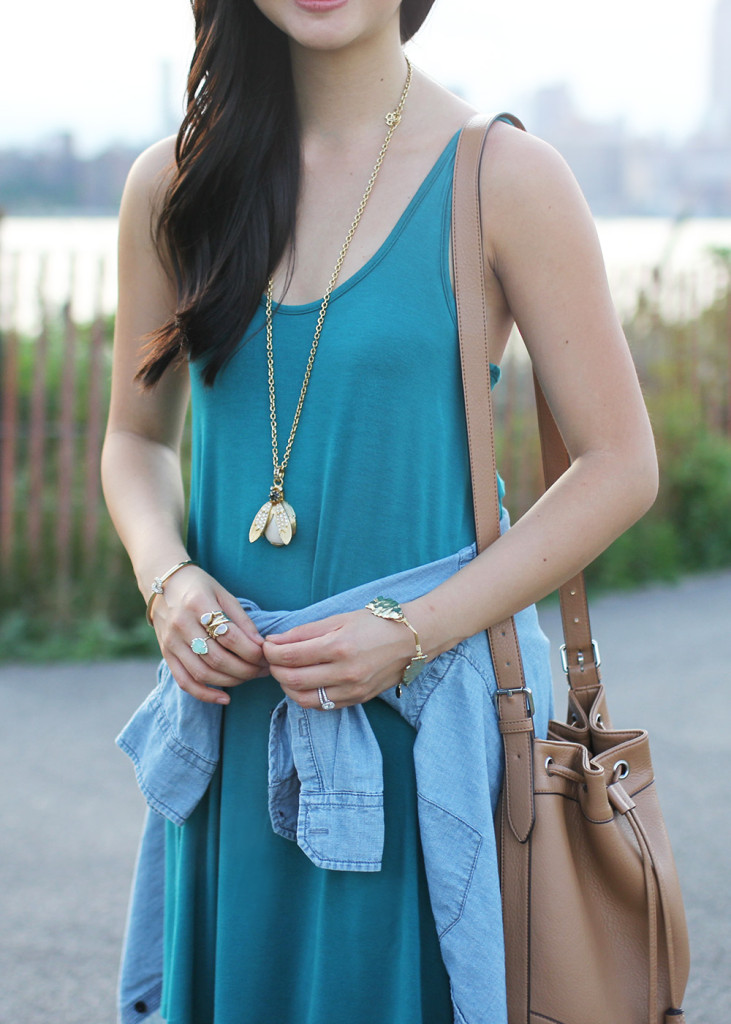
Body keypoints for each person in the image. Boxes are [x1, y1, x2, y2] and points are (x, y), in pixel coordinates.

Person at [102, 1, 659, 1022]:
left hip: (425, 736)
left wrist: (407, 633)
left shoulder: (502, 179)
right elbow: (135, 443)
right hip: (233, 726)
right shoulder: (173, 184)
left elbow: (618, 464)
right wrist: (166, 576)